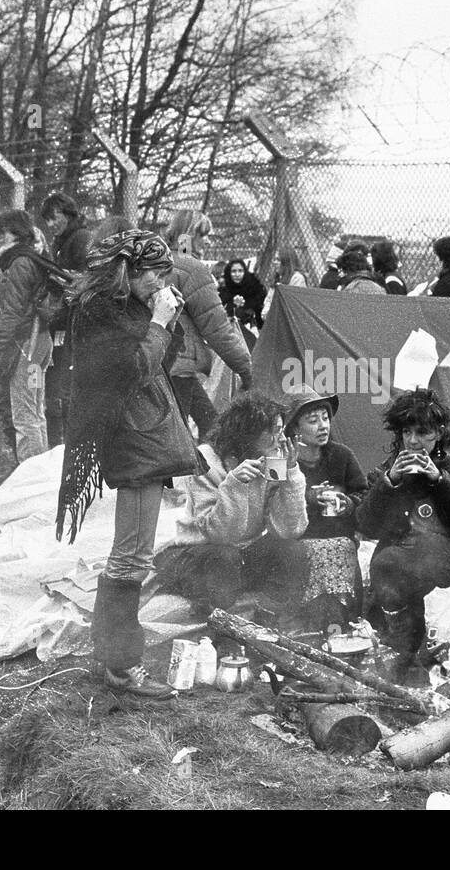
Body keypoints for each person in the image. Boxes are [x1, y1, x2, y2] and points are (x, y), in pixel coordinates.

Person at [54, 230, 203, 700]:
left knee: (129, 552)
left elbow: (164, 361)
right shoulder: (102, 312)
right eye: (155, 273)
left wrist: (168, 321)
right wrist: (159, 322)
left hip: (144, 431)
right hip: (133, 437)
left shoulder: (124, 305)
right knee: (132, 555)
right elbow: (134, 368)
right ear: (129, 271)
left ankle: (109, 656)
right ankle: (122, 667)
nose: (161, 281)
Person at [356, 388, 450, 659]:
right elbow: (365, 525)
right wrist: (389, 483)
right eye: (407, 433)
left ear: (439, 433)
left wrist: (440, 480)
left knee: (422, 560)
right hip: (397, 563)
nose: (413, 442)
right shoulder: (387, 471)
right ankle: (404, 647)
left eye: (422, 433)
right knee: (389, 563)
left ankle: (426, 645)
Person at [155, 393, 309, 622]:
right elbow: (220, 535)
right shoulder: (205, 460)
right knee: (225, 558)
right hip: (194, 552)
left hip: (239, 551)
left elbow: (289, 530)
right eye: (274, 431)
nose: (281, 438)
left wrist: (291, 472)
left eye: (281, 429)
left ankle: (270, 621)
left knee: (291, 550)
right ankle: (220, 629)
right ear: (249, 434)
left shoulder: (271, 461)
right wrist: (235, 485)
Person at [0, 209, 51, 464]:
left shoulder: (18, 264)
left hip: (27, 345)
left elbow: (11, 312)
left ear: (15, 233)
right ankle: (43, 477)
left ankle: (31, 481)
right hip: (38, 342)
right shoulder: (31, 258)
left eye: (0, 232)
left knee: (25, 416)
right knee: (36, 413)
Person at [163, 210, 253, 439]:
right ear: (191, 234)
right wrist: (246, 367)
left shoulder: (168, 261)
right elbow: (217, 329)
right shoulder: (191, 267)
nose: (208, 240)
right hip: (179, 366)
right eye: (203, 235)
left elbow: (182, 258)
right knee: (180, 442)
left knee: (213, 428)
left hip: (168, 363)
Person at [284, 385, 368, 628]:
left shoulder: (341, 455)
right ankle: (322, 625)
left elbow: (364, 494)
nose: (323, 426)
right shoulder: (284, 461)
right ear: (295, 428)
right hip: (298, 541)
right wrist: (309, 498)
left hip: (339, 536)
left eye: (325, 418)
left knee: (341, 547)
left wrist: (348, 503)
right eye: (312, 420)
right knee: (322, 551)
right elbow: (273, 499)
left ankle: (340, 624)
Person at [41, 193, 95, 448]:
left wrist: (65, 282)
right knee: (58, 388)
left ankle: (66, 445)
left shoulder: (81, 239)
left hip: (75, 322)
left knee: (63, 389)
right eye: (47, 220)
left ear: (68, 213)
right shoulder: (62, 241)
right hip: (64, 320)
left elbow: (88, 279)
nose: (51, 224)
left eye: (54, 218)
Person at [219, 259, 266, 332]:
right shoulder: (224, 288)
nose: (237, 274)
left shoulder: (254, 286)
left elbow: (258, 307)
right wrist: (233, 303)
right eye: (234, 271)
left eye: (240, 271)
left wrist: (245, 304)